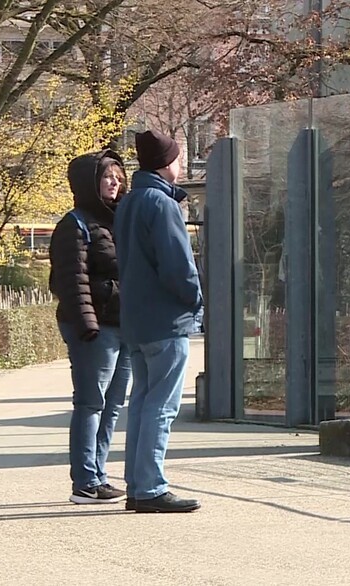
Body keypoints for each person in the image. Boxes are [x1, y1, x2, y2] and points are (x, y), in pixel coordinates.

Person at [113, 131, 203, 513]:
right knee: (162, 406)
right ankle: (150, 487)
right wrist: (196, 298)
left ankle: (138, 485)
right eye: (179, 159)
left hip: (136, 318)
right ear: (168, 163)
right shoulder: (161, 204)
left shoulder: (130, 201)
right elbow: (177, 264)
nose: (180, 165)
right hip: (165, 319)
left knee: (143, 402)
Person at [49, 149, 132, 505]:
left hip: (125, 325)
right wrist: (88, 325)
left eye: (117, 177)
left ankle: (99, 474)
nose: (114, 183)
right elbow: (70, 281)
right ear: (89, 183)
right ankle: (84, 480)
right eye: (106, 177)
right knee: (90, 403)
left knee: (113, 404)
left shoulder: (119, 222)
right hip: (96, 329)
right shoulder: (75, 224)